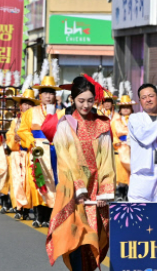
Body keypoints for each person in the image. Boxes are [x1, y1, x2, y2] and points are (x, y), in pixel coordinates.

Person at [46, 76, 115, 271]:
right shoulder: (65, 124)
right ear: (72, 100)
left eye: (90, 100)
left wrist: (104, 190)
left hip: (95, 186)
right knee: (74, 235)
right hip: (71, 187)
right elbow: (65, 159)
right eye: (81, 100)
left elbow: (107, 159)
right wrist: (79, 187)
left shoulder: (102, 124)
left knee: (92, 235)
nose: (85, 105)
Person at [18, 75, 63, 227]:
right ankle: (38, 215)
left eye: (51, 93)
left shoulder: (61, 113)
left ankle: (50, 216)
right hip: (38, 149)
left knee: (54, 182)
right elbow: (23, 130)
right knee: (37, 180)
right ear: (40, 95)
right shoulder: (31, 112)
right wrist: (31, 141)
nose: (48, 96)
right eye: (45, 93)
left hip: (55, 150)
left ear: (55, 96)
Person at [6, 87, 40, 217]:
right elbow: (9, 136)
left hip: (30, 153)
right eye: (25, 103)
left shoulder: (36, 121)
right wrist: (14, 138)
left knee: (30, 182)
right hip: (17, 154)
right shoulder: (15, 121)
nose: (27, 106)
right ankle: (18, 207)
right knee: (17, 181)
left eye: (30, 104)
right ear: (21, 106)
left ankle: (27, 208)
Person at [110, 91, 136, 201]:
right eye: (123, 107)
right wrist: (117, 142)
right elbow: (112, 134)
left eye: (128, 107)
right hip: (120, 150)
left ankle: (132, 196)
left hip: (133, 150)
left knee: (132, 174)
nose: (125, 109)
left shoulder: (136, 120)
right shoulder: (115, 121)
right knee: (121, 174)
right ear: (120, 109)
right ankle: (120, 196)